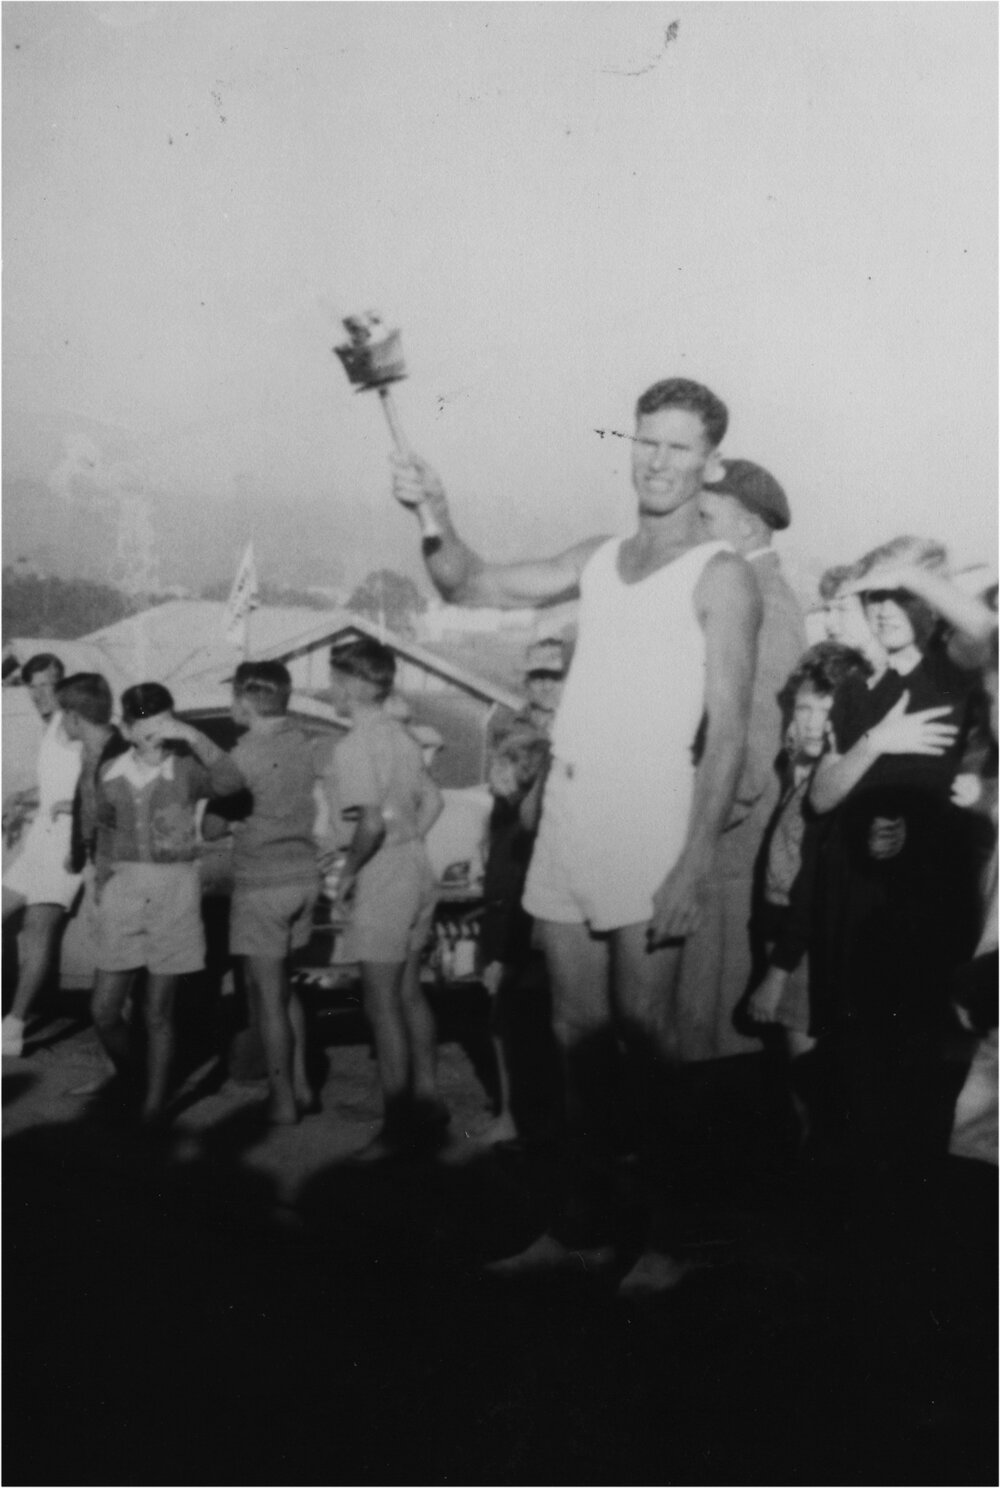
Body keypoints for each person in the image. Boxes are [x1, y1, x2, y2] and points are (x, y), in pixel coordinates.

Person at [392, 376, 761, 1294]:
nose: (659, 461)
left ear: (709, 462)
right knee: (573, 1038)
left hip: (654, 829)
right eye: (647, 441)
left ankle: (670, 1238)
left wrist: (692, 860)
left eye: (680, 447)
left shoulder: (721, 576)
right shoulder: (600, 557)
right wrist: (434, 511)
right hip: (572, 818)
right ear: (629, 444)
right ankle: (582, 1227)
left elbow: (727, 733)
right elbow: (469, 579)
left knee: (649, 1040)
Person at [806, 537, 986, 1196]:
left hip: (938, 904)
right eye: (874, 595)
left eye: (902, 594)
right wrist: (880, 747)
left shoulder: (960, 683)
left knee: (926, 1059)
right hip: (861, 901)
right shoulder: (858, 691)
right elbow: (822, 798)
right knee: (862, 1056)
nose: (885, 609)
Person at [674, 459, 807, 1060]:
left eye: (705, 518)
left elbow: (759, 743)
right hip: (716, 828)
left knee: (712, 1018)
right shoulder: (736, 589)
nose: (691, 528)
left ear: (749, 530)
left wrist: (697, 825)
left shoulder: (766, 601)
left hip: (729, 838)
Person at [89, 682, 242, 1123]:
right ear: (127, 726)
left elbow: (232, 782)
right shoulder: (112, 771)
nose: (157, 734)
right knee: (103, 1010)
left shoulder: (187, 768)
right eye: (147, 725)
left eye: (165, 723)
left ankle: (155, 1104)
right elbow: (104, 834)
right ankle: (136, 1077)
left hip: (174, 891)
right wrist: (102, 887)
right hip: (122, 890)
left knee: (158, 1012)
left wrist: (193, 736)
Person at [745, 644, 872, 1149]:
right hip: (785, 939)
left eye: (827, 708)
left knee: (809, 1087)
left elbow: (811, 889)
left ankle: (817, 1195)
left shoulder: (835, 790)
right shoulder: (806, 775)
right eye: (804, 707)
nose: (814, 721)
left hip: (801, 953)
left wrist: (777, 973)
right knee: (801, 1085)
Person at [322, 638, 446, 1158]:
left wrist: (348, 874)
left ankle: (399, 1130)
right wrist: (409, 840)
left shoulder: (353, 746)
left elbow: (368, 824)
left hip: (383, 869)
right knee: (410, 993)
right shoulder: (403, 736)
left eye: (334, 682)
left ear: (350, 687)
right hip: (416, 863)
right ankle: (427, 1104)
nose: (331, 691)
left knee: (380, 1004)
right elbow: (434, 800)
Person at [221, 661, 325, 1126]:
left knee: (266, 998)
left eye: (233, 699)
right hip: (303, 879)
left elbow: (210, 823)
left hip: (261, 884)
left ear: (246, 701)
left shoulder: (243, 756)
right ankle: (302, 1086)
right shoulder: (306, 743)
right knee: (285, 989)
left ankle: (282, 1101)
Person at [2, 654, 82, 1057]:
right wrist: (22, 798)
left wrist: (77, 807)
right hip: (38, 842)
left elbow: (100, 772)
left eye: (45, 686)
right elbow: (55, 786)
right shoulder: (50, 727)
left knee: (37, 930)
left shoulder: (76, 722)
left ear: (62, 685)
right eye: (31, 687)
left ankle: (12, 1027)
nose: (37, 695)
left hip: (67, 849)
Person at [478, 725, 553, 1145]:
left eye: (499, 764)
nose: (491, 772)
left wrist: (506, 958)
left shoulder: (530, 826)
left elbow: (519, 889)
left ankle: (517, 1118)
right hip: (502, 931)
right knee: (507, 1025)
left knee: (516, 1030)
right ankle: (517, 1117)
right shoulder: (505, 814)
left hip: (517, 938)